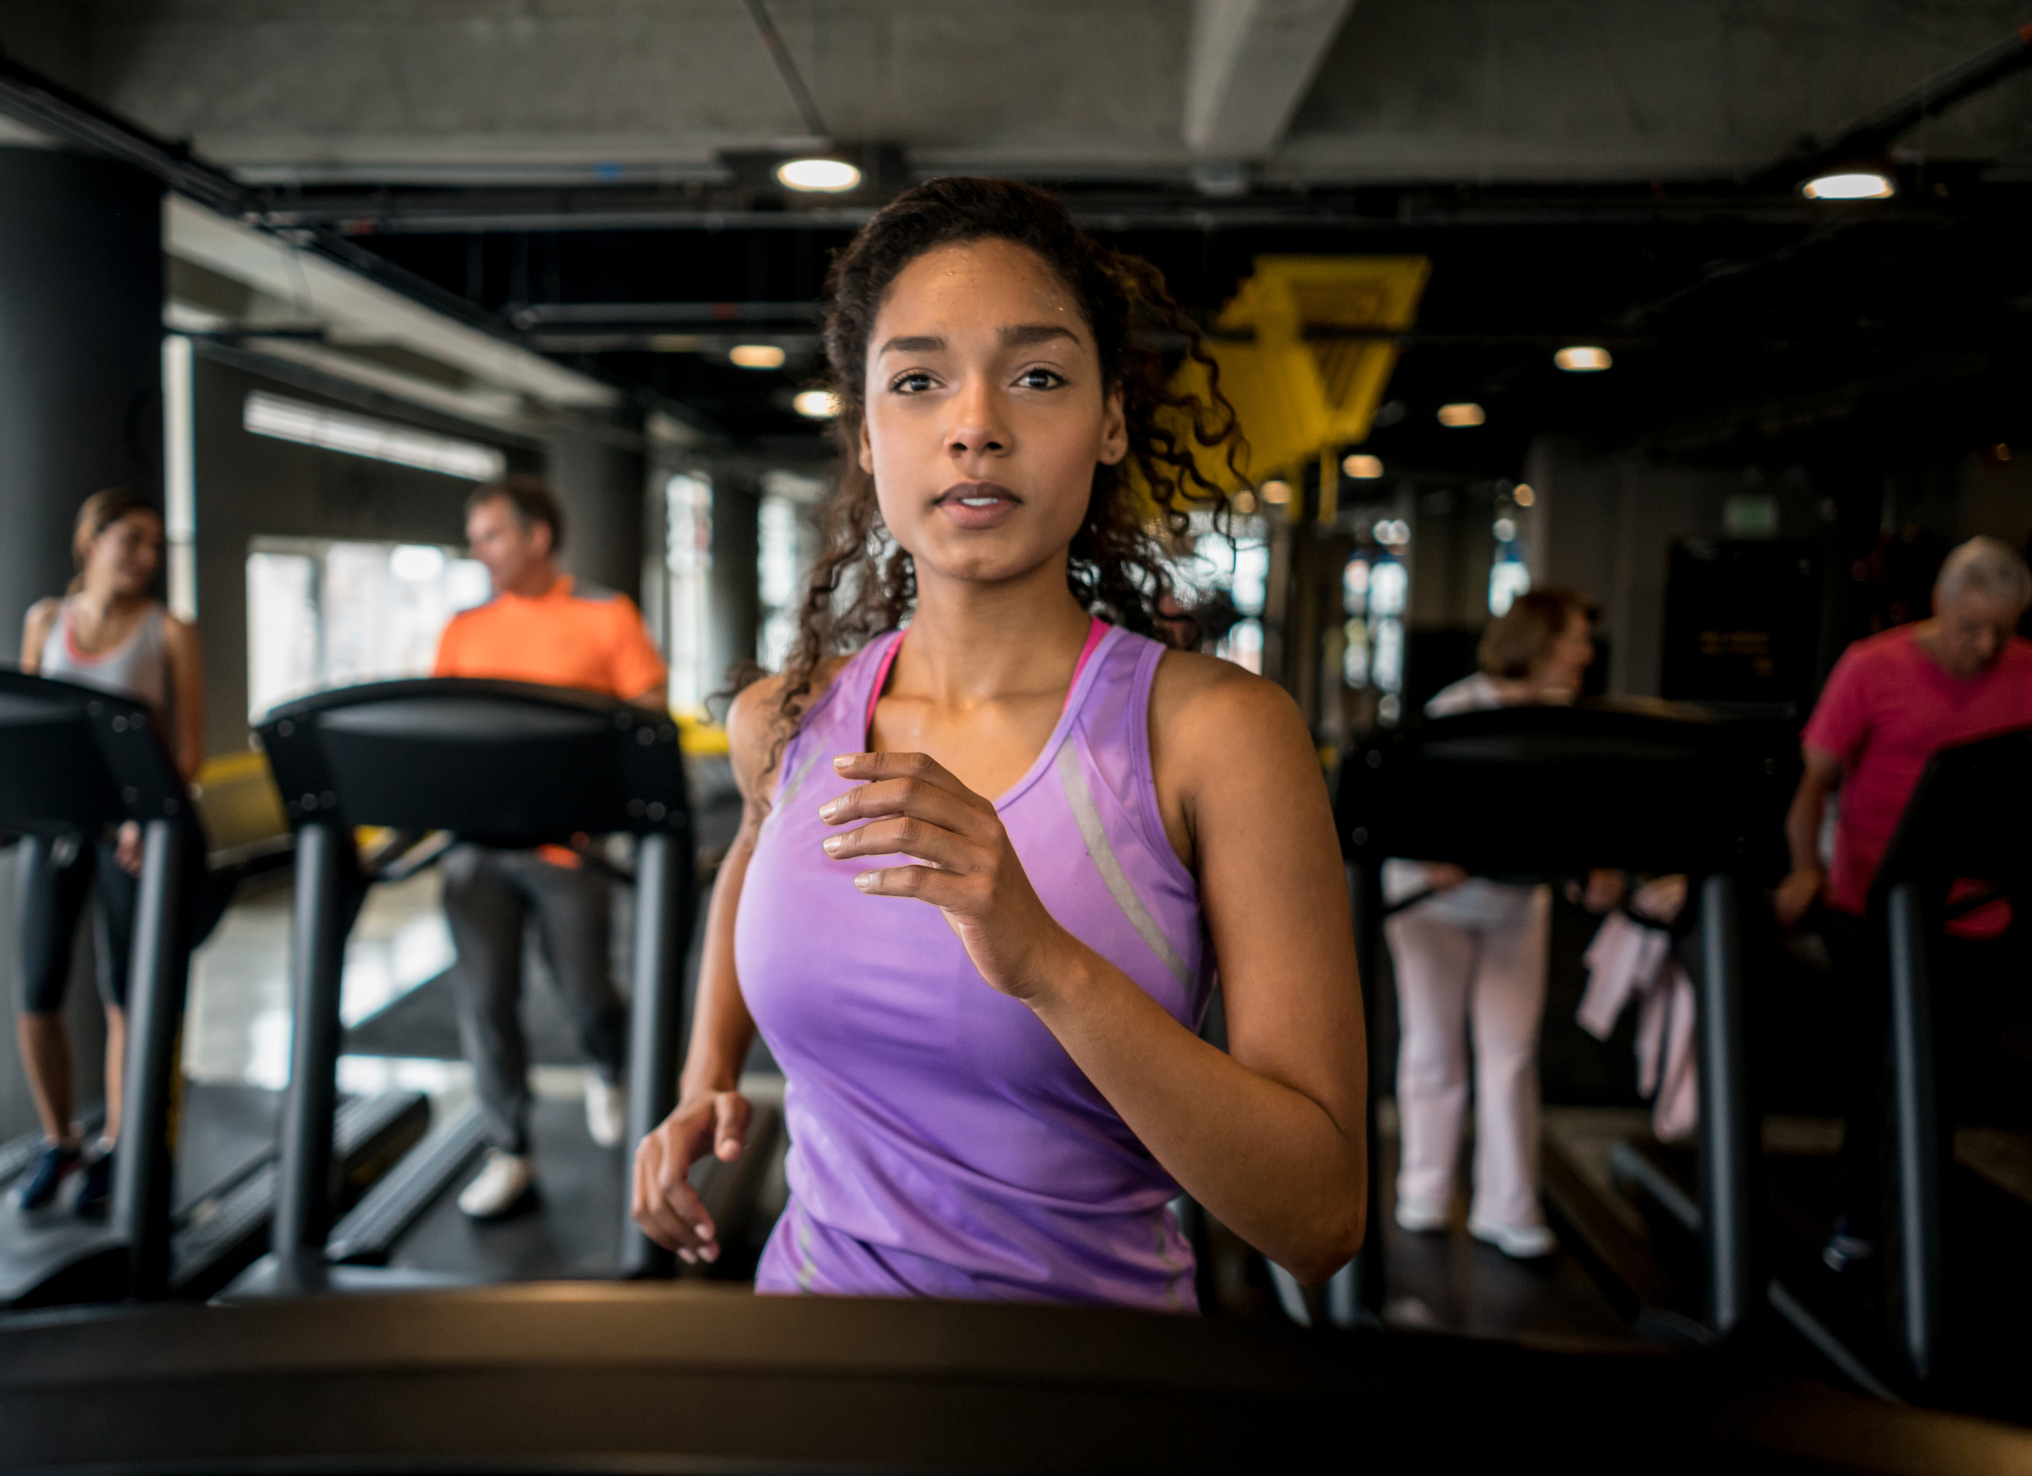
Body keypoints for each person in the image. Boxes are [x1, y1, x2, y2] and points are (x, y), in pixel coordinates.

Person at [629, 177, 1368, 1307]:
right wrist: (704, 1072)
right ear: (868, 435)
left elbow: (1318, 1221)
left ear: (1111, 419)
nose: (974, 423)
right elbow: (752, 862)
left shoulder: (1217, 737)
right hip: (806, 1352)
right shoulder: (784, 722)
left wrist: (1047, 962)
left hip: (1083, 1386)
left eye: (1036, 376)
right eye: (918, 381)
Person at [1775, 535, 2032, 1271]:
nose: (1984, 647)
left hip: (1977, 911)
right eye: (1970, 627)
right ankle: (1859, 1213)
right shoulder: (1871, 667)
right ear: (1939, 608)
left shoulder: (2027, 670)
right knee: (1878, 1067)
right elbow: (1811, 789)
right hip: (1873, 906)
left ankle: (1926, 1216)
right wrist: (1802, 870)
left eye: (2001, 630)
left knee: (1951, 1070)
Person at [431, 476, 669, 1218]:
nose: (480, 552)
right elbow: (439, 726)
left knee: (587, 992)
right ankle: (509, 1149)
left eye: (492, 536)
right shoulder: (464, 627)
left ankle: (610, 1067)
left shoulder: (604, 615)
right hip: (477, 848)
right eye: (475, 539)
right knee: (484, 1003)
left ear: (537, 537)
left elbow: (648, 713)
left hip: (569, 848)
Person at [1383, 587, 1599, 1259]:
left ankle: (1507, 1206)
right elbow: (1411, 811)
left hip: (1512, 902)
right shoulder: (1458, 712)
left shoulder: (1565, 722)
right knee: (1433, 1048)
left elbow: (1572, 815)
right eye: (1576, 640)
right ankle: (1423, 1189)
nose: (1587, 653)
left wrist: (1591, 865)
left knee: (1510, 1053)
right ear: (1540, 644)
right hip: (1431, 907)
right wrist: (1434, 854)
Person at [14, 490, 204, 1214]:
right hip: (57, 828)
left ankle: (121, 1145)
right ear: (91, 540)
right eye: (132, 541)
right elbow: (29, 727)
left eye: (155, 547)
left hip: (131, 837)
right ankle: (61, 1141)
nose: (145, 558)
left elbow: (186, 753)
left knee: (124, 996)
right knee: (36, 991)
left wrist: (140, 816)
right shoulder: (45, 622)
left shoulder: (170, 631)